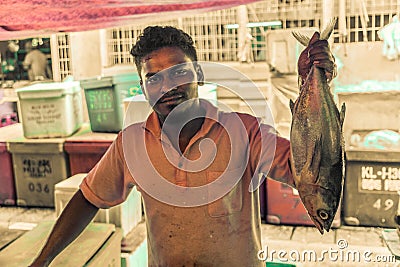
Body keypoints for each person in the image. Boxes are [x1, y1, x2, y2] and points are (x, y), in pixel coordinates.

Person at [30, 26, 335, 267]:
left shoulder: (244, 130)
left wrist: (314, 81)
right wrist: (42, 260)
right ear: (142, 86)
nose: (168, 87)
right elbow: (88, 197)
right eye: (153, 79)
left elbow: (308, 172)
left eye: (179, 72)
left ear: (198, 76)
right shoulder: (131, 143)